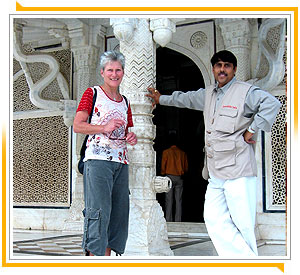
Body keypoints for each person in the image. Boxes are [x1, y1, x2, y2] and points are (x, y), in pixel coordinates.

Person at [147, 50, 281, 257]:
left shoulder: (245, 92)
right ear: (213, 69)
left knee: (243, 224)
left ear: (234, 69)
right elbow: (186, 99)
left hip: (238, 170)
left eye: (227, 66)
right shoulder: (208, 93)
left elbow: (272, 103)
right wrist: (161, 98)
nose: (222, 69)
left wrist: (252, 129)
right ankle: (243, 261)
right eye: (218, 65)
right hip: (215, 171)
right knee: (212, 218)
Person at [73, 50, 137, 256]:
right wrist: (103, 127)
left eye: (118, 70)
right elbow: (78, 126)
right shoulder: (92, 93)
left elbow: (126, 132)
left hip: (121, 162)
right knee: (98, 213)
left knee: (118, 216)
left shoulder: (125, 101)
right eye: (110, 70)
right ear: (102, 72)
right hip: (98, 161)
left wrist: (130, 138)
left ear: (123, 72)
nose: (114, 74)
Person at [161, 132, 188, 222]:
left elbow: (163, 167)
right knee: (178, 200)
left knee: (169, 200)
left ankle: (168, 220)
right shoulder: (182, 153)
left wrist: (162, 174)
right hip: (179, 177)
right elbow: (185, 168)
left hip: (169, 178)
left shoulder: (166, 152)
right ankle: (178, 220)